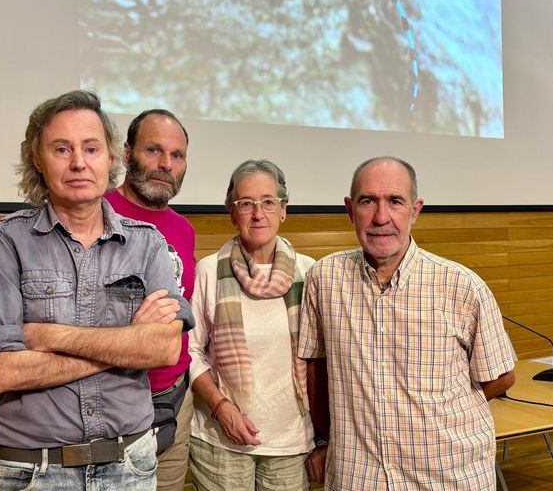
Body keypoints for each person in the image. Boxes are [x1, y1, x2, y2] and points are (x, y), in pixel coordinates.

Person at [0, 90, 193, 490]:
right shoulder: (6, 242)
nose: (78, 163)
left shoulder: (149, 243)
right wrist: (127, 347)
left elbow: (164, 349)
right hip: (36, 472)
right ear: (37, 159)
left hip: (131, 466)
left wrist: (49, 336)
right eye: (61, 149)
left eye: (90, 148)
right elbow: (0, 372)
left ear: (110, 159)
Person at [299, 156, 516, 490]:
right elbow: (317, 366)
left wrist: (436, 413)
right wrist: (323, 440)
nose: (381, 217)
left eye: (395, 202)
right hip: (358, 475)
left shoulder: (461, 286)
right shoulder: (324, 279)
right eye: (367, 201)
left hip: (447, 475)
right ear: (349, 209)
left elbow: (501, 377)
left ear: (415, 210)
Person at [188, 160, 315, 491]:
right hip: (219, 440)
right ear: (232, 212)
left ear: (283, 210)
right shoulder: (208, 271)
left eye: (268, 202)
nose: (258, 213)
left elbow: (323, 359)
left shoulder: (310, 273)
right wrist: (220, 407)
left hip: (290, 441)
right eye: (246, 204)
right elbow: (190, 350)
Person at [104, 109, 196, 491]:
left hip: (174, 399)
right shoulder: (99, 212)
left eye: (176, 155)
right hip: (113, 403)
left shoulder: (183, 229)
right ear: (126, 154)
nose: (165, 165)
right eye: (153, 150)